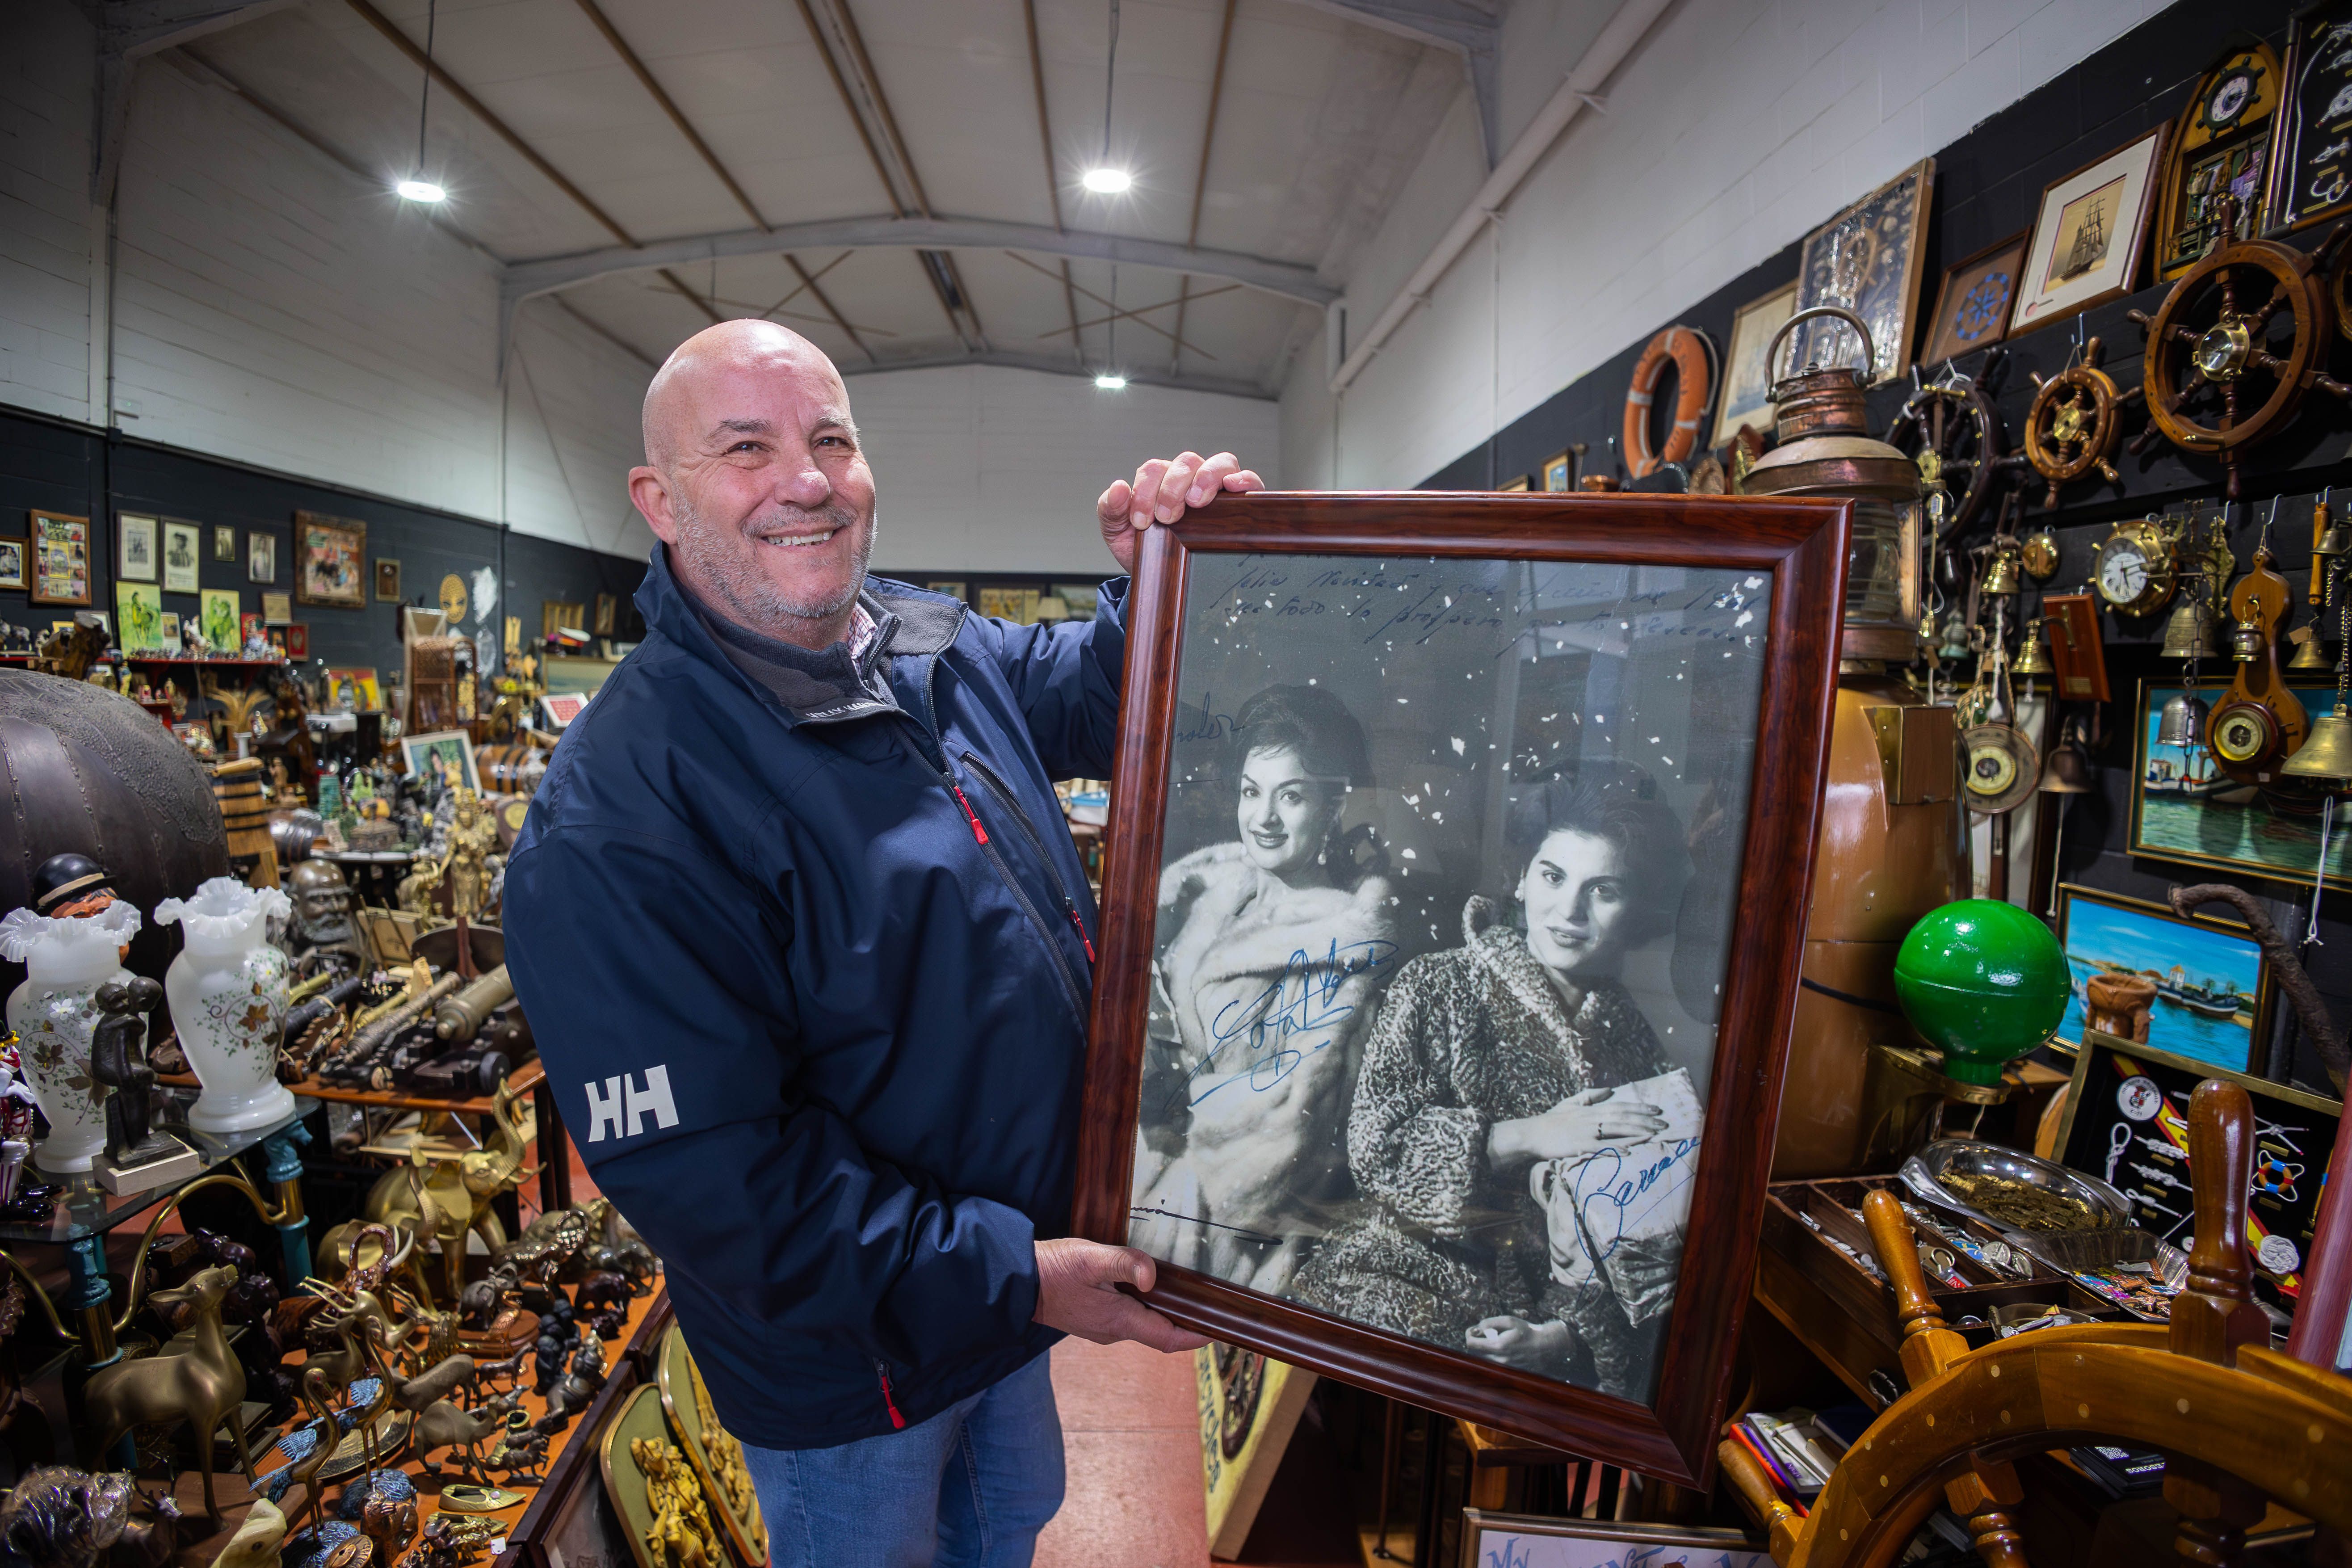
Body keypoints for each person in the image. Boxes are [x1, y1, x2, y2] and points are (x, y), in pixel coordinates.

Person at [503, 317, 1261, 1568]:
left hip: (1009, 1293)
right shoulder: (620, 819)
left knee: (1005, 1528)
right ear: (658, 499)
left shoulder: (919, 637)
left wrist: (1174, 570)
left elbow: (1089, 687)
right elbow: (730, 1193)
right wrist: (1012, 1270)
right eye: (745, 448)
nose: (804, 479)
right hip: (853, 1373)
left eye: (829, 439)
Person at [1291, 771, 1691, 1401]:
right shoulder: (1437, 985)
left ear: (1636, 907)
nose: (1570, 910)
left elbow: (1650, 1243)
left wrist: (1562, 1334)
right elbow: (1377, 1149)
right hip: (1404, 1268)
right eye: (1554, 876)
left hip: (1543, 1317)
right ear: (1522, 876)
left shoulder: (1635, 1045)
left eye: (1604, 889)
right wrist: (1532, 1135)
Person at [1130, 685, 1398, 1297]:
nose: (1264, 817)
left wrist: (1153, 1134)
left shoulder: (1341, 950)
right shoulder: (1205, 896)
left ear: (1333, 806)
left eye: (1293, 795)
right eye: (1253, 791)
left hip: (1225, 1244)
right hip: (1150, 1187)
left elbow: (1281, 1143)